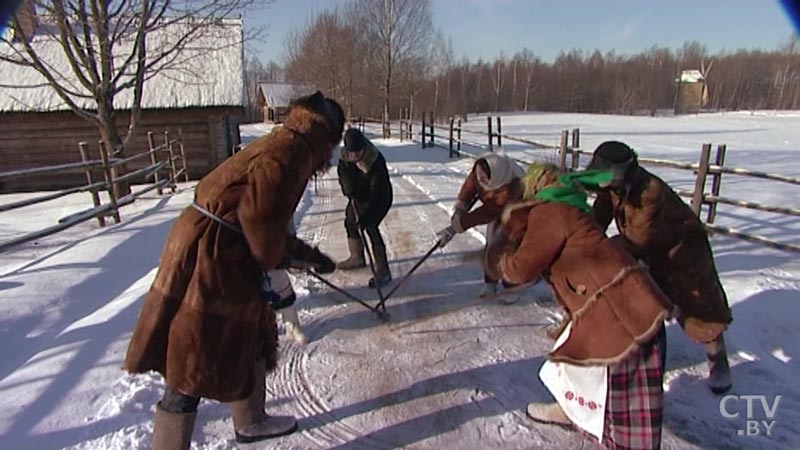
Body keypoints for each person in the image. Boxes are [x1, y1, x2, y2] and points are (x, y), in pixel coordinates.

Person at [124, 91, 344, 449]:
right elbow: (259, 221)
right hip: (213, 254)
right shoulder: (293, 151)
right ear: (327, 134)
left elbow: (263, 213)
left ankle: (251, 421)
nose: (330, 155)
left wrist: (303, 255)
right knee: (192, 353)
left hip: (222, 243)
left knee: (254, 332)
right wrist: (284, 262)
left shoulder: (288, 141)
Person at [486, 163, 672, 450]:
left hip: (620, 318)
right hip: (621, 306)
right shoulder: (568, 208)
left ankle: (596, 424)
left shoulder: (550, 213)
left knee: (620, 409)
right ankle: (571, 409)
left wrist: (498, 261)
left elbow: (520, 269)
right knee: (567, 362)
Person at [587, 141, 733, 394]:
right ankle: (649, 363)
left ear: (621, 170)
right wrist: (585, 237)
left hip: (683, 254)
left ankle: (717, 359)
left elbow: (636, 240)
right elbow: (598, 217)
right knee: (649, 304)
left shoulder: (648, 192)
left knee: (699, 309)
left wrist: (602, 250)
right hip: (653, 256)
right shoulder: (615, 188)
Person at [437, 152, 525, 299]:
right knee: (491, 241)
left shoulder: (511, 186)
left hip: (516, 212)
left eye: (485, 180)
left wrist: (457, 226)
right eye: (480, 177)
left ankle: (512, 285)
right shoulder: (483, 166)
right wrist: (460, 209)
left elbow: (487, 212)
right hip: (494, 206)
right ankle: (490, 280)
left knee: (508, 245)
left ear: (496, 179)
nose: (481, 181)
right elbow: (471, 185)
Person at [336, 128, 394, 288]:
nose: (354, 156)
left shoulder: (374, 159)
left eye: (357, 152)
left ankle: (383, 270)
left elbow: (378, 193)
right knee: (350, 221)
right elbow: (343, 174)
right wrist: (348, 187)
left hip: (380, 197)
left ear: (363, 147)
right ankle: (357, 257)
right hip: (359, 194)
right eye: (351, 153)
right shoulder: (345, 157)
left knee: (369, 225)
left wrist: (366, 215)